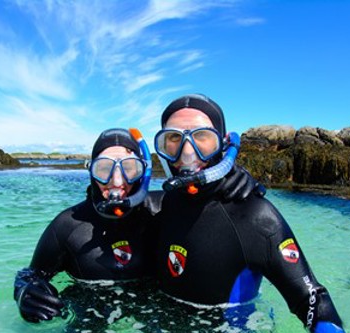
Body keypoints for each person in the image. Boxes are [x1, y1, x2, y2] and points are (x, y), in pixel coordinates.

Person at [152, 93, 350, 333]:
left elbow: (312, 300)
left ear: (222, 143)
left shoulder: (255, 217)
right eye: (173, 139)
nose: (186, 152)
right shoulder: (162, 206)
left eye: (202, 138)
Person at [13, 127, 259, 322]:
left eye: (129, 168)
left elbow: (207, 212)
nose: (116, 181)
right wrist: (25, 291)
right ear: (91, 171)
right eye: (104, 168)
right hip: (90, 321)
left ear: (142, 173)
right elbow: (31, 274)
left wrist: (230, 181)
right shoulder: (68, 225)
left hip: (156, 320)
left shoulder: (162, 209)